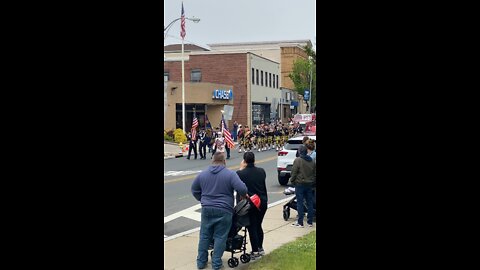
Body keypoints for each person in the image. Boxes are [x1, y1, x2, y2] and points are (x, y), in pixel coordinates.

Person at [191, 152, 248, 270]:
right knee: (220, 237)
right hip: (224, 209)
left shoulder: (203, 174)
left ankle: (201, 262)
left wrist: (202, 199)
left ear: (212, 161)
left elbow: (194, 189)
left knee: (204, 236)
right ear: (224, 162)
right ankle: (216, 264)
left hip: (207, 208)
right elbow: (242, 189)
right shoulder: (230, 174)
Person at [236, 152, 268, 260]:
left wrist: (241, 168)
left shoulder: (241, 174)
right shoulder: (261, 171)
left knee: (252, 227)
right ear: (254, 160)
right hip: (262, 202)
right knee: (258, 225)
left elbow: (238, 185)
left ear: (244, 161)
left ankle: (255, 251)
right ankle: (260, 247)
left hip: (251, 203)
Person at [289, 145, 316, 228]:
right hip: (309, 184)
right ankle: (310, 222)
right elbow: (314, 173)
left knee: (300, 203)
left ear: (299, 152)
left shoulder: (298, 160)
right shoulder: (311, 161)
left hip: (300, 184)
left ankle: (300, 222)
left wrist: (292, 181)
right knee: (310, 202)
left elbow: (294, 172)